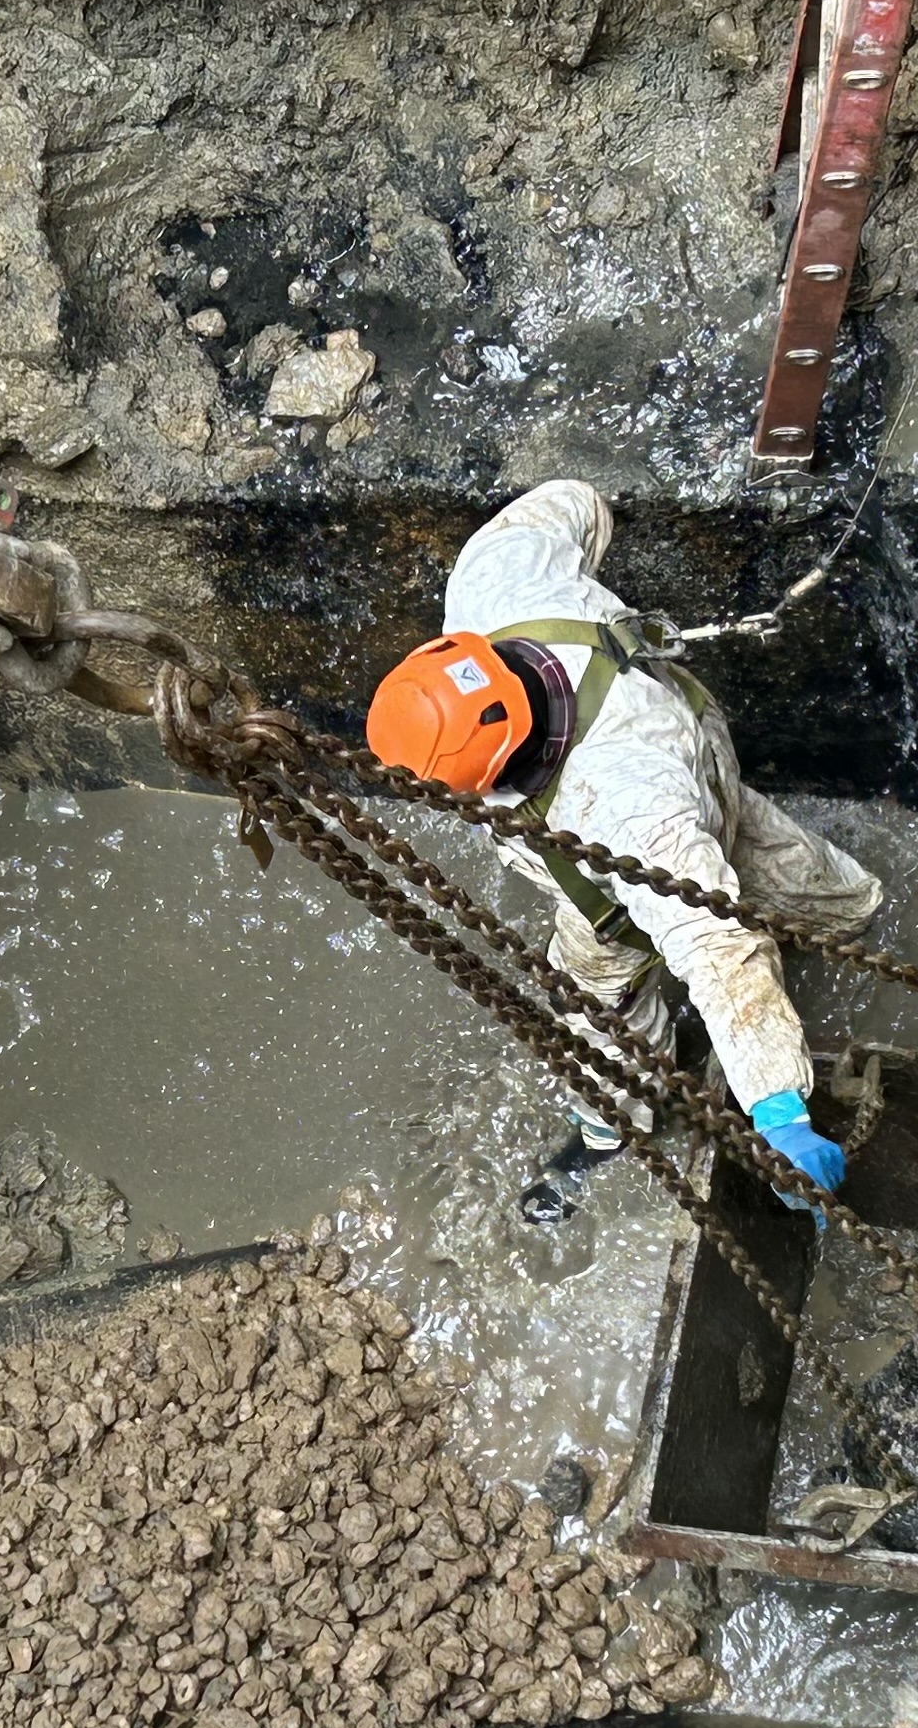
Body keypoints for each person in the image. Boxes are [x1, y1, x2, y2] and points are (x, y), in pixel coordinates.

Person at [364, 480, 884, 1225]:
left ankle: (609, 1127)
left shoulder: (619, 807)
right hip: (704, 769)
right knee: (818, 888)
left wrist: (779, 1116)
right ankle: (855, 918)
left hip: (637, 850)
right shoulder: (496, 578)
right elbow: (576, 502)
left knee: (602, 1011)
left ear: (500, 771)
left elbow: (718, 950)